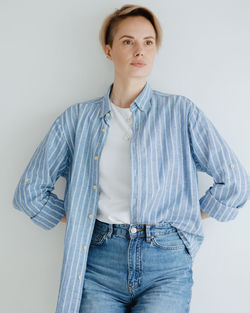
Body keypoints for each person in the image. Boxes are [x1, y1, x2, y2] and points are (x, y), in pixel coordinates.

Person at [12, 4, 250, 313]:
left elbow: (235, 184)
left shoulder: (181, 112)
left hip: (167, 263)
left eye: (148, 42)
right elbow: (29, 192)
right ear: (108, 50)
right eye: (128, 41)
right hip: (98, 264)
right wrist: (80, 218)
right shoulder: (76, 120)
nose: (140, 50)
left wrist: (185, 218)